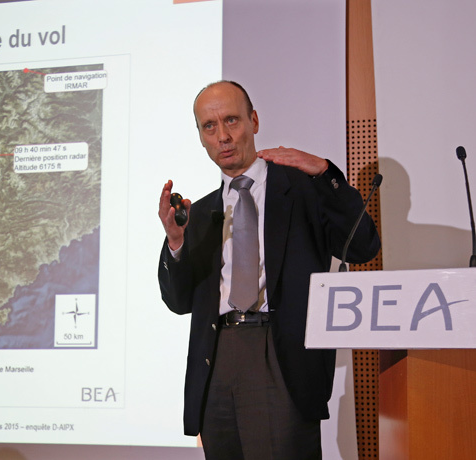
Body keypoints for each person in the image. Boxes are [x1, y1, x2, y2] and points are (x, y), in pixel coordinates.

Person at [157, 81, 380, 460]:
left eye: (232, 120)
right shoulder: (200, 214)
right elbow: (179, 302)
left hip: (280, 355)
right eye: (210, 126)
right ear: (200, 137)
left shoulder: (302, 188)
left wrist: (325, 172)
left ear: (254, 120)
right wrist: (176, 243)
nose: (223, 136)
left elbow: (362, 247)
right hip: (216, 359)